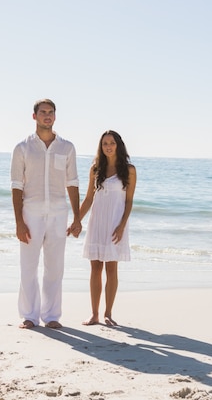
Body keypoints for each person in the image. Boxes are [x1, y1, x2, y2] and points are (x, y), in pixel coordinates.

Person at [10, 98, 82, 329]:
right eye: (43, 112)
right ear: (34, 116)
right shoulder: (22, 148)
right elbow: (16, 187)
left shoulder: (67, 147)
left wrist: (77, 217)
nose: (47, 116)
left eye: (51, 112)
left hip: (59, 213)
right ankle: (29, 316)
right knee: (28, 266)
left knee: (55, 267)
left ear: (55, 116)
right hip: (31, 212)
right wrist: (19, 222)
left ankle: (51, 316)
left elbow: (72, 183)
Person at [79, 130, 136, 326]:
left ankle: (108, 314)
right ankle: (94, 314)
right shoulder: (96, 169)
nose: (108, 146)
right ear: (101, 147)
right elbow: (88, 199)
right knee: (95, 267)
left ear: (118, 145)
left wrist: (121, 226)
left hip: (115, 223)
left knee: (111, 268)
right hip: (97, 222)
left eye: (111, 143)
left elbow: (128, 202)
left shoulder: (129, 170)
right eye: (105, 144)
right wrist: (76, 221)